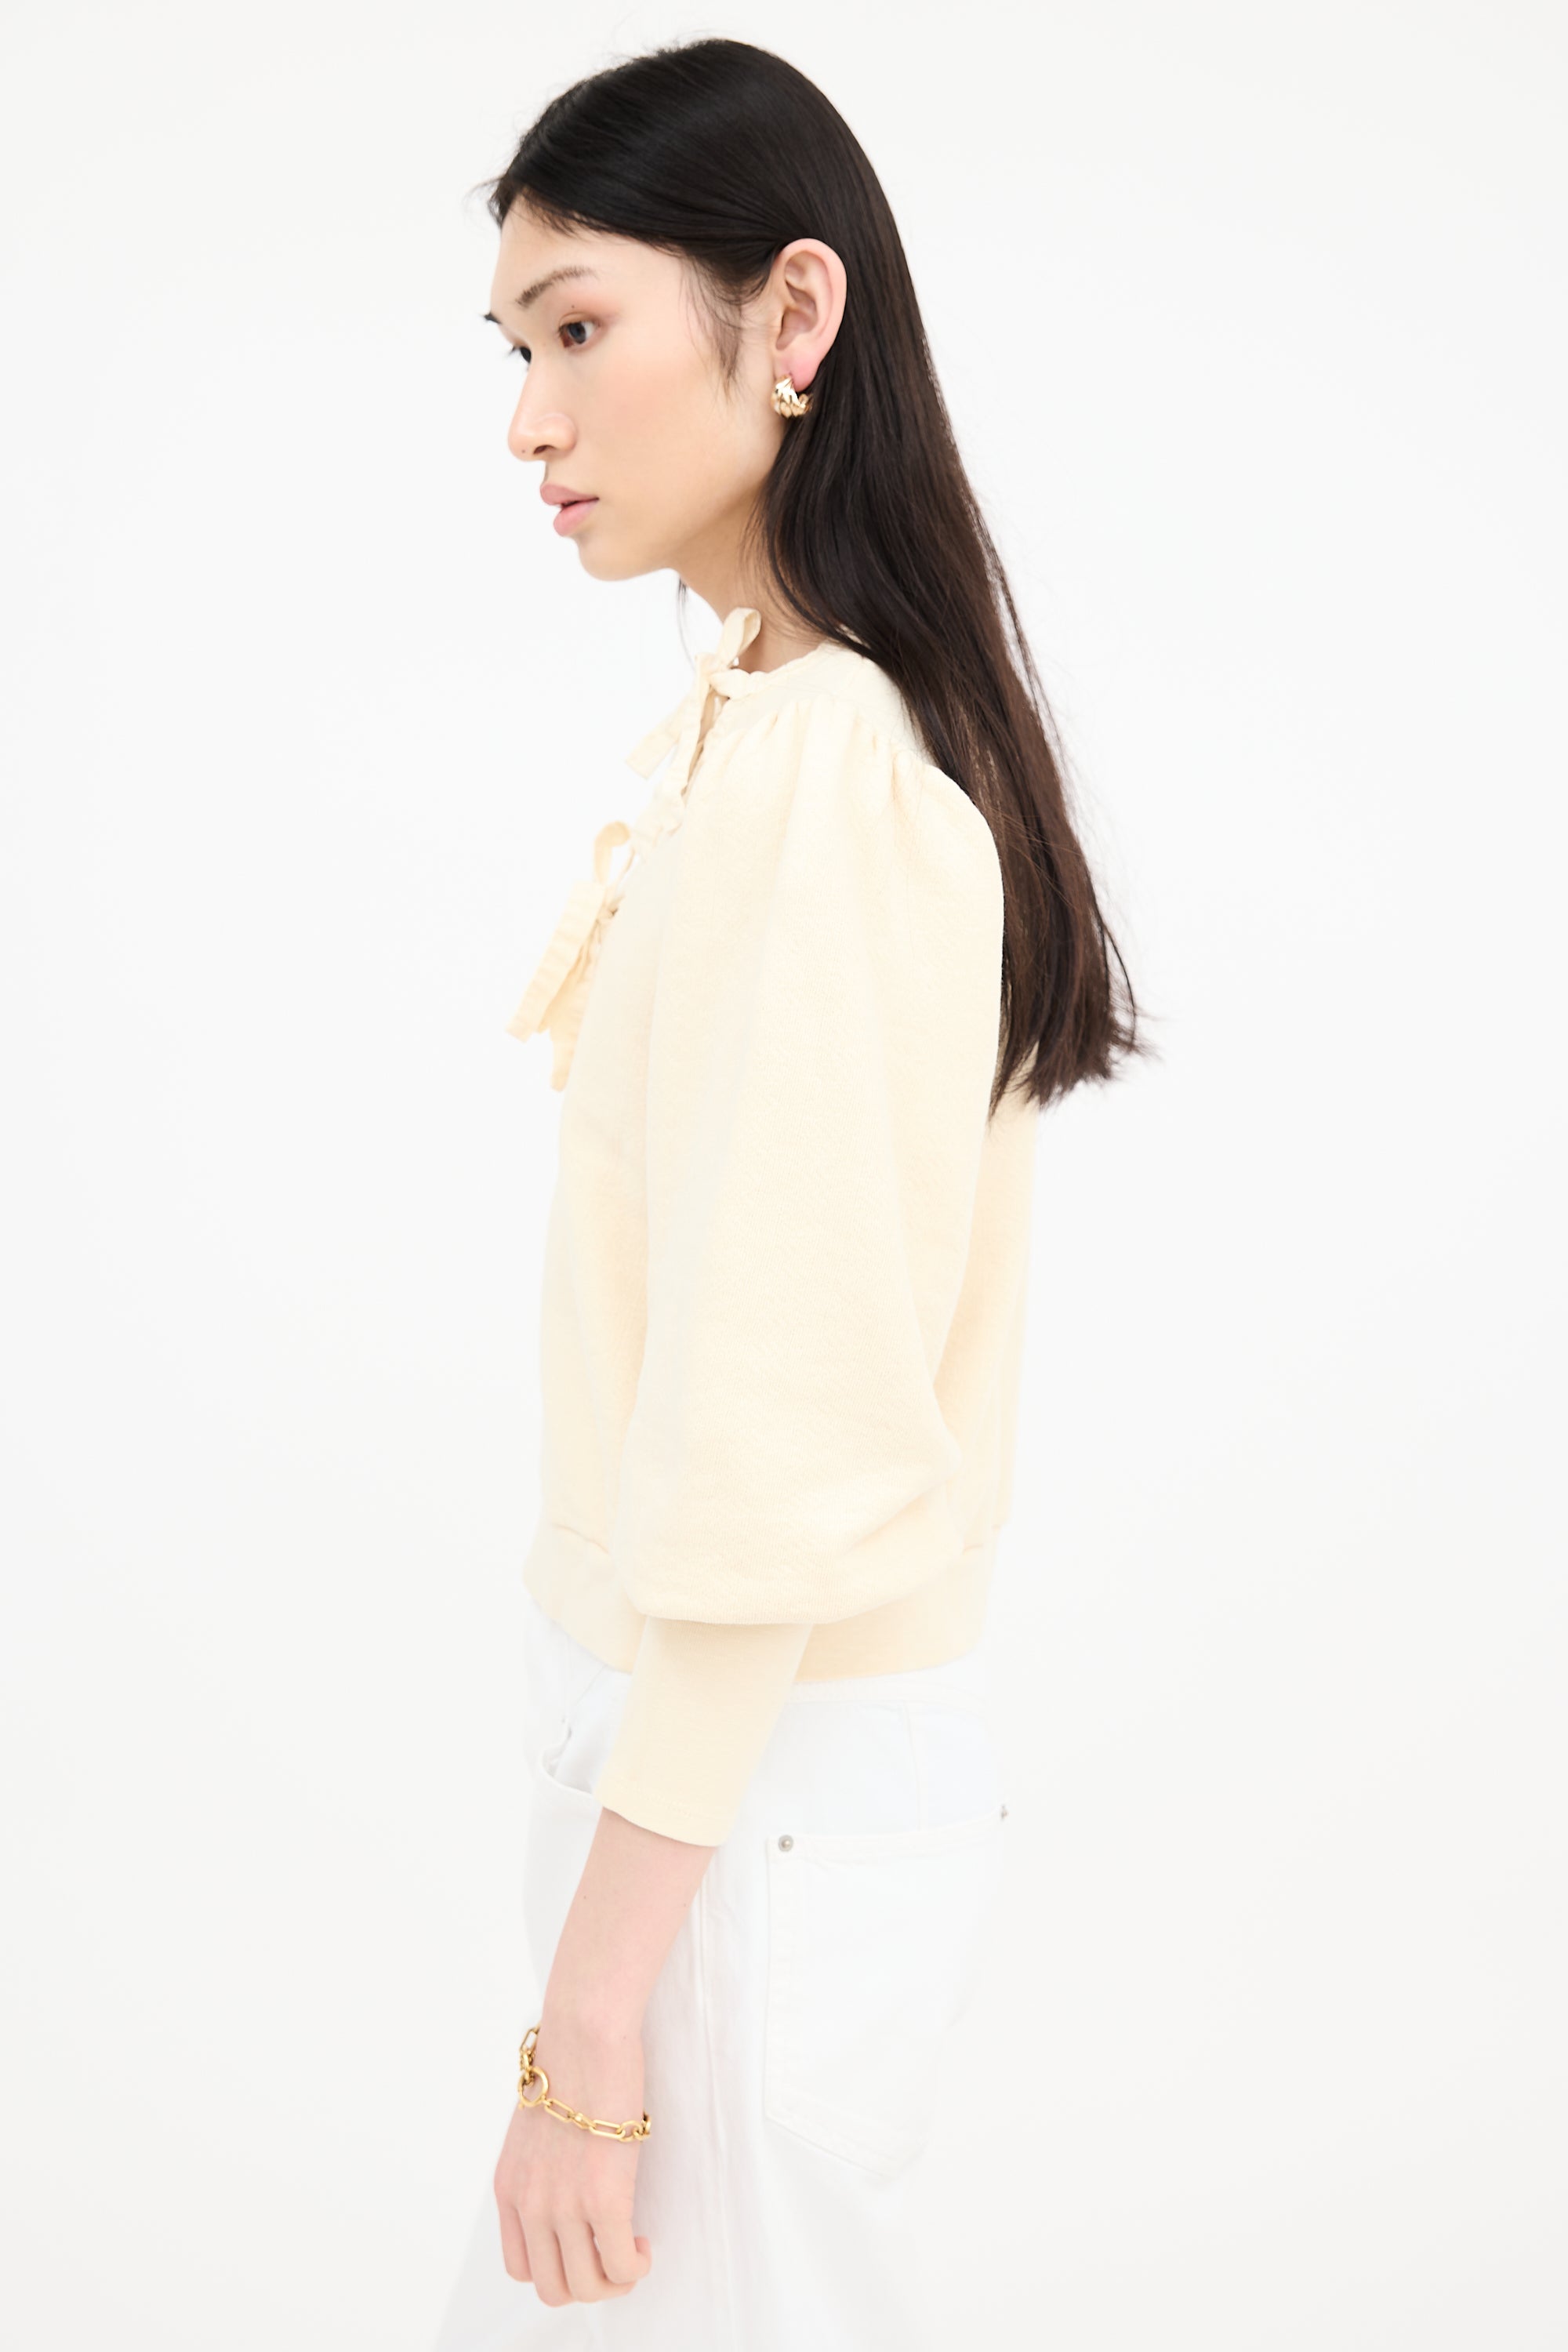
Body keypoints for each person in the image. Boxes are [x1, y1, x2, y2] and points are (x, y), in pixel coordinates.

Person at [435, 35, 1145, 2350]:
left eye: (580, 327)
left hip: (738, 1814)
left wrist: (594, 2023)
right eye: (514, 348)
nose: (531, 420)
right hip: (720, 1803)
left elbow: (782, 1451)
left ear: (795, 317)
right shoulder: (780, 734)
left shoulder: (832, 775)